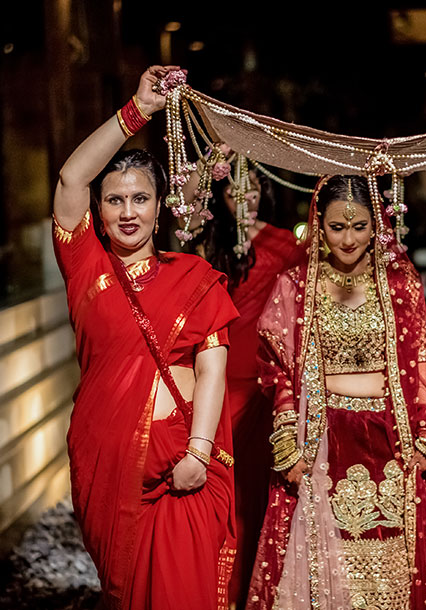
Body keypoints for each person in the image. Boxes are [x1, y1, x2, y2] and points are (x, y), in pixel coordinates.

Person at [246, 175, 426, 610]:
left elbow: (420, 360)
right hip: (322, 439)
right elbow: (279, 369)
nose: (348, 239)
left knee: (399, 563)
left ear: (376, 225)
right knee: (324, 563)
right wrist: (289, 443)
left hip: (389, 436)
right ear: (319, 225)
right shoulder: (296, 286)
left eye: (359, 227)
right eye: (337, 227)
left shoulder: (398, 284)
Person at [52, 65, 239, 610]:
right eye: (114, 200)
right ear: (98, 211)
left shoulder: (194, 279)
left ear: (160, 209)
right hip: (108, 464)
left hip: (184, 462)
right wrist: (137, 112)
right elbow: (70, 179)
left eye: (140, 199)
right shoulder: (87, 267)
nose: (128, 211)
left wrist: (199, 452)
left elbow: (211, 369)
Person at [189, 168, 304, 607]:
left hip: (269, 378)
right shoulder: (207, 242)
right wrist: (212, 161)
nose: (246, 199)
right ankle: (220, 586)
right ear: (220, 197)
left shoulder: (286, 242)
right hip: (221, 376)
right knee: (226, 484)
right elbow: (183, 202)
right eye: (234, 191)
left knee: (262, 484)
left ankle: (263, 587)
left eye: (253, 190)